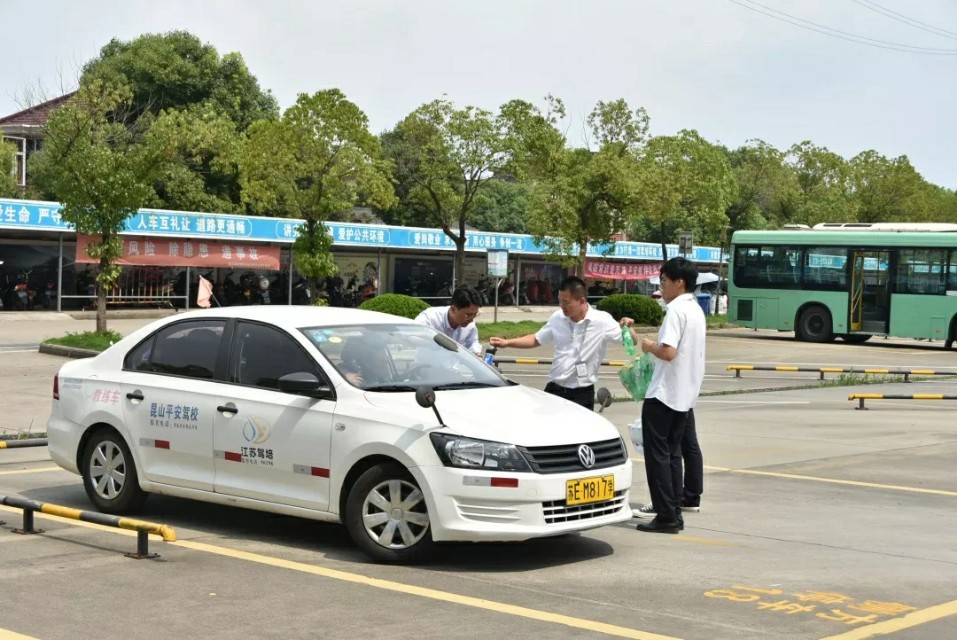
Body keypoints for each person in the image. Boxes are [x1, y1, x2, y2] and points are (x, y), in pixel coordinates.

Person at [627, 256, 706, 534]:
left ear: (678, 282)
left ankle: (666, 515)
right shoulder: (696, 310)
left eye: (664, 281)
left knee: (658, 456)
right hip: (684, 396)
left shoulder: (675, 311)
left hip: (663, 394)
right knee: (673, 455)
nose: (662, 286)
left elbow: (669, 352)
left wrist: (649, 346)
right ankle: (673, 513)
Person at [490, 275, 632, 411]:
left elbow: (630, 341)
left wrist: (628, 327)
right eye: (560, 301)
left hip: (582, 392)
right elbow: (536, 339)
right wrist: (507, 342)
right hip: (555, 387)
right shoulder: (557, 317)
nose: (562, 306)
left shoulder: (601, 321)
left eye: (566, 302)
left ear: (581, 301)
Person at [633, 408, 703, 517]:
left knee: (665, 449)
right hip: (686, 400)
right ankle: (690, 497)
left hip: (667, 401)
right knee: (688, 444)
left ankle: (665, 504)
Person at [415, 286, 483, 354]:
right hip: (427, 363)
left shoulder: (469, 324)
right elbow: (412, 336)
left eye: (475, 315)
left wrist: (477, 354)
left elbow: (472, 343)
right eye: (468, 315)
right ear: (453, 309)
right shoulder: (429, 318)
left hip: (454, 364)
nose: (471, 320)